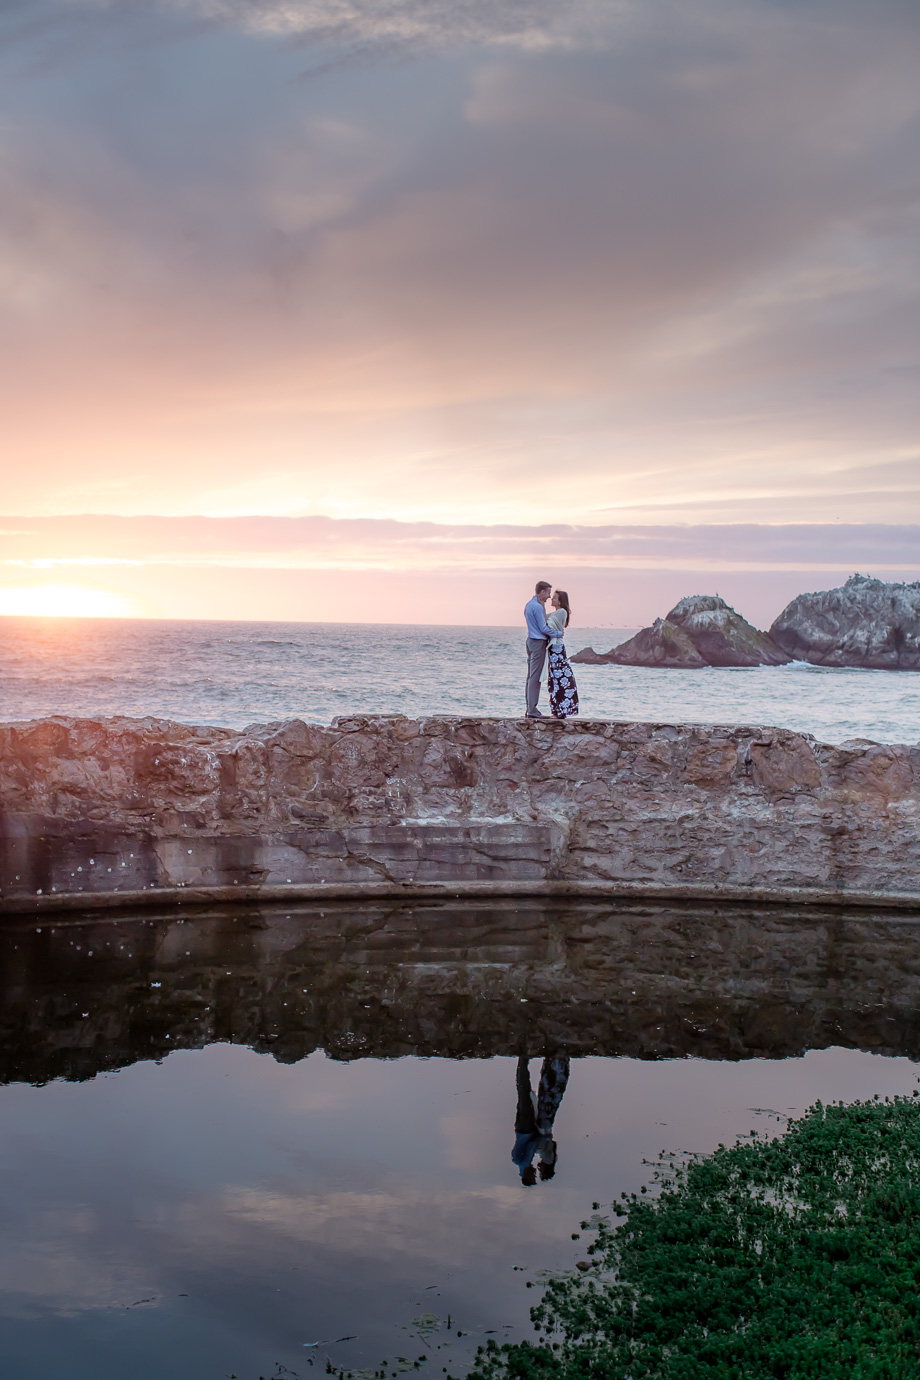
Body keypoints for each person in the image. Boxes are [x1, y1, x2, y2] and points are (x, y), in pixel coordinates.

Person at [511, 1054, 571, 1186]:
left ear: (526, 1176)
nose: (534, 1173)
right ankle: (524, 1062)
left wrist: (540, 1142)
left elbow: (532, 1144)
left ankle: (523, 1061)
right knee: (525, 1094)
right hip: (525, 1128)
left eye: (532, 1176)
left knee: (524, 1094)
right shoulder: (522, 1161)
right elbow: (532, 1145)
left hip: (526, 1128)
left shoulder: (523, 1161)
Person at [524, 581, 563, 719]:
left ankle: (529, 708)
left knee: (530, 677)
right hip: (538, 642)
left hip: (530, 641)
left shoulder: (529, 605)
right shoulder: (538, 607)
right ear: (541, 592)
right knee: (535, 678)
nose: (548, 596)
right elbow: (543, 629)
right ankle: (533, 710)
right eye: (547, 593)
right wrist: (559, 633)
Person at [545, 590, 579, 720]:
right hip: (554, 647)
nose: (551, 600)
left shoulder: (561, 612)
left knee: (559, 678)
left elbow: (547, 624)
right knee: (555, 677)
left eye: (554, 598)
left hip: (557, 648)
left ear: (560, 601)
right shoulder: (557, 612)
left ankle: (561, 709)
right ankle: (558, 708)